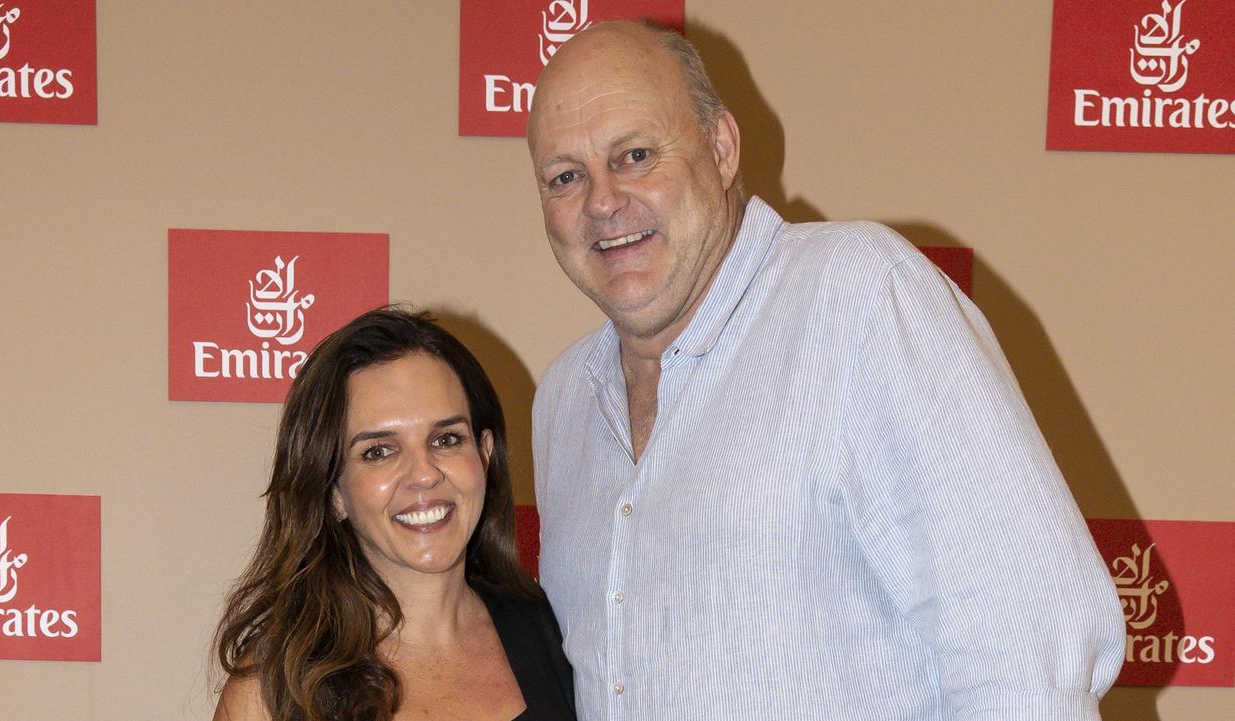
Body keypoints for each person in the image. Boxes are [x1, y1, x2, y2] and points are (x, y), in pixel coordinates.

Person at [526, 20, 1125, 721]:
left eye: (634, 155)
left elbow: (1027, 661)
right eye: (565, 176)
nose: (602, 201)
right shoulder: (563, 400)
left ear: (721, 149)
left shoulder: (861, 298)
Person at [211, 308, 576, 721]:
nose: (423, 475)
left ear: (485, 456)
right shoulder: (274, 687)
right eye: (378, 451)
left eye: (446, 439)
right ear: (334, 493)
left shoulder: (562, 636)